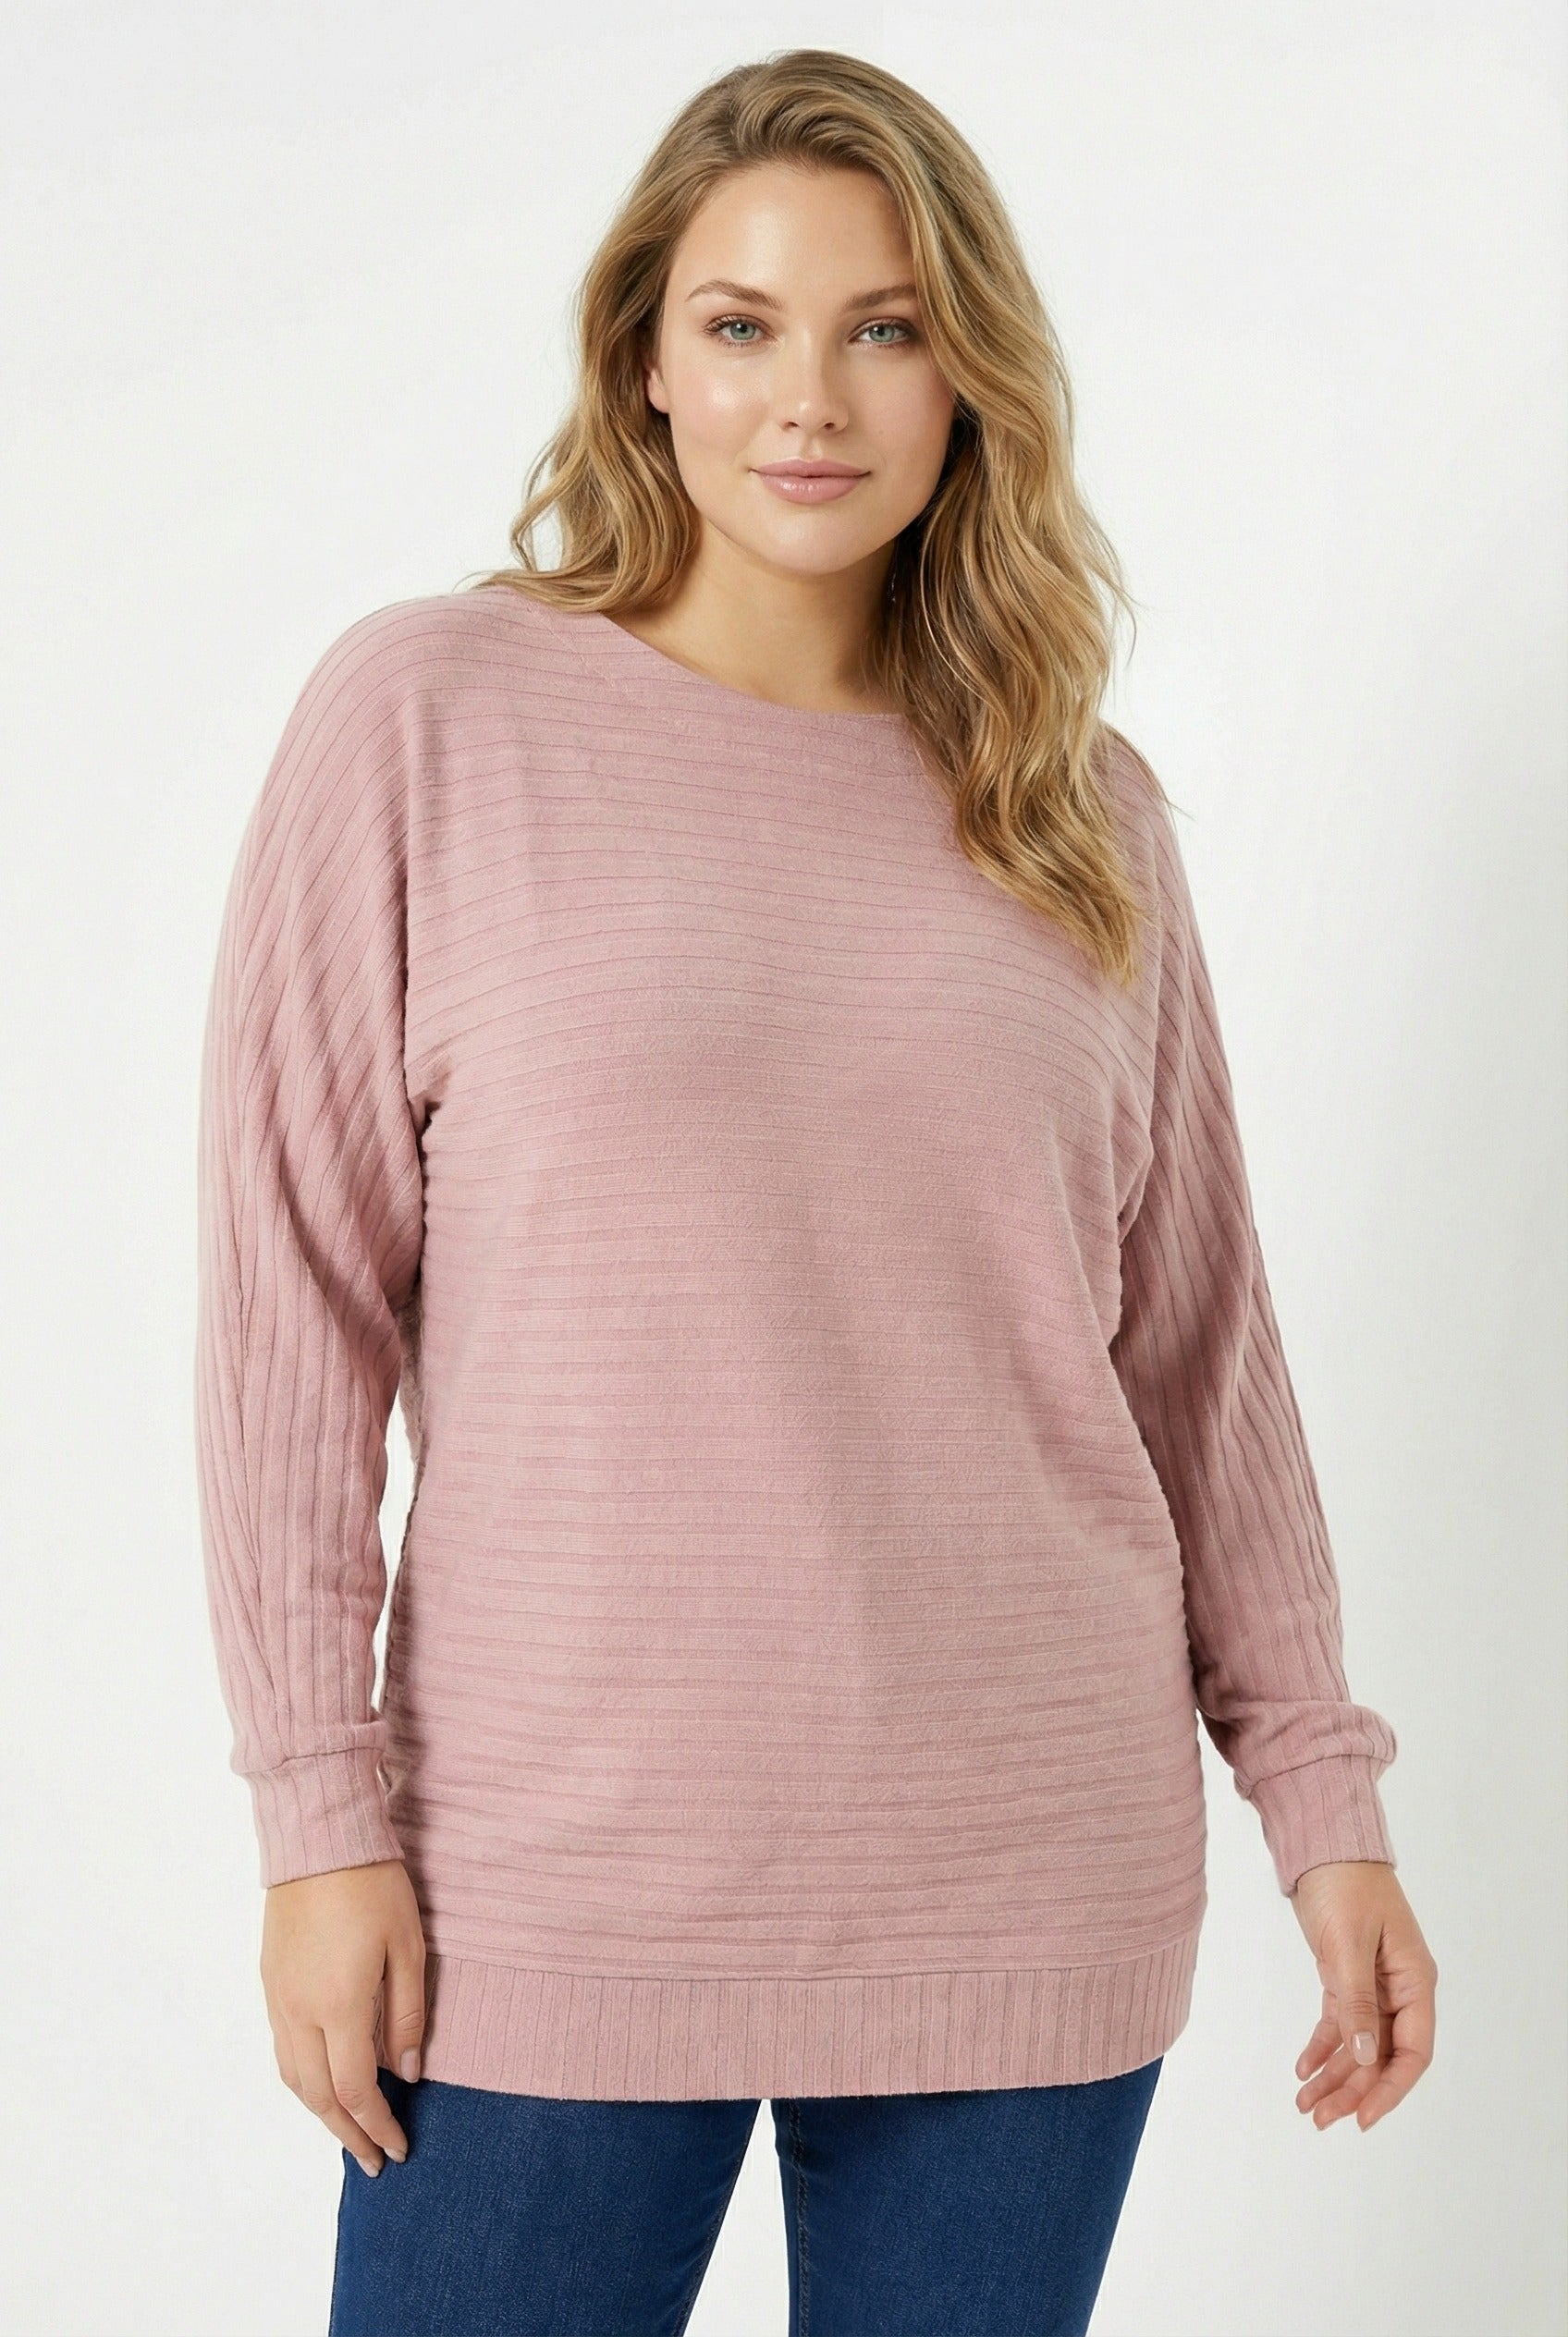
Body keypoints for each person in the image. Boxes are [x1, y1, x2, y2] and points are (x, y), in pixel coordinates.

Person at [192, 46, 1439, 2337]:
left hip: (1021, 1860)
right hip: (554, 1872)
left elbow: (1198, 1355)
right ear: (644, 362)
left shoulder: (1079, 811)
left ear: (967, 378)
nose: (810, 395)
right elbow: (293, 1308)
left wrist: (1321, 1803)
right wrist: (315, 1819)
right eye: (742, 322)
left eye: (883, 327)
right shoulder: (429, 718)